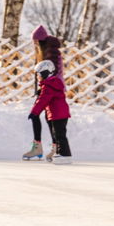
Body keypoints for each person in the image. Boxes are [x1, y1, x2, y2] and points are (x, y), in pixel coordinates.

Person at [22, 25, 66, 162]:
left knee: (41, 116)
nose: (34, 44)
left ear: (40, 41)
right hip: (49, 88)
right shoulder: (47, 50)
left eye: (36, 41)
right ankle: (48, 147)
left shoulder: (50, 52)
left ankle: (47, 147)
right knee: (46, 117)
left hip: (51, 89)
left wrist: (45, 88)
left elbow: (53, 73)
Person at [25, 60, 72, 164]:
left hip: (58, 115)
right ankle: (61, 153)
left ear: (45, 73)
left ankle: (65, 155)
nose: (37, 77)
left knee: (60, 136)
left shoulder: (49, 86)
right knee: (59, 135)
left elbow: (43, 101)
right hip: (58, 114)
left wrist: (34, 112)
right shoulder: (51, 84)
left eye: (39, 74)